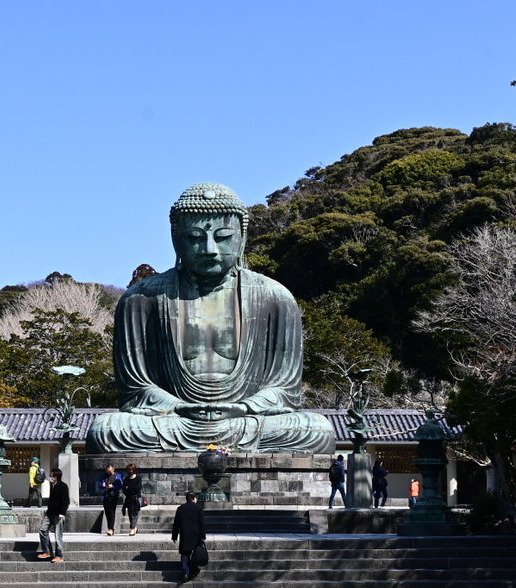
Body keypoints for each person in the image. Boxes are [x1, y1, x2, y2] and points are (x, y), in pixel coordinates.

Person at [86, 183, 336, 454]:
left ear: (242, 236)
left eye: (223, 237)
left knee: (314, 429)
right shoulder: (142, 299)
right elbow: (136, 389)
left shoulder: (274, 297)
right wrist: (177, 406)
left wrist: (244, 407)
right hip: (173, 420)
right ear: (176, 238)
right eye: (194, 237)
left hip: (247, 419)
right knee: (109, 429)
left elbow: (284, 390)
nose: (208, 249)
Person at [171, 491, 206, 583]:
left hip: (185, 535)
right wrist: (203, 536)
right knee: (196, 554)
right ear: (194, 498)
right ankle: (193, 570)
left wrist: (174, 536)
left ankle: (185, 573)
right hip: (196, 535)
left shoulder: (180, 509)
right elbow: (202, 524)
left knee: (185, 554)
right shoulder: (199, 508)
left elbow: (176, 524)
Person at [39, 469, 69, 562]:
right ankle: (47, 552)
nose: (50, 477)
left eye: (51, 475)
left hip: (58, 514)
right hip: (50, 513)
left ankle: (59, 556)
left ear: (56, 477)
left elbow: (66, 501)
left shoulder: (63, 486)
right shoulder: (52, 486)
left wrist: (62, 513)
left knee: (58, 536)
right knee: (43, 530)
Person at [97, 464, 122, 536]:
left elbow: (120, 485)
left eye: (110, 471)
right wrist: (103, 485)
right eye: (107, 471)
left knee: (111, 512)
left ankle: (111, 529)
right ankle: (110, 528)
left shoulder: (118, 476)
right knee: (107, 512)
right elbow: (99, 485)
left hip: (113, 496)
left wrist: (113, 486)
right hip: (106, 496)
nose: (108, 473)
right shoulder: (103, 476)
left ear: (113, 469)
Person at [122, 463, 143, 536]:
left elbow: (138, 488)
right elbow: (124, 490)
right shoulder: (126, 479)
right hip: (129, 499)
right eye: (129, 470)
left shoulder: (138, 478)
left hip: (136, 499)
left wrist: (129, 488)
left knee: (135, 513)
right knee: (130, 514)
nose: (130, 471)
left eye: (131, 470)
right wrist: (129, 489)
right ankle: (135, 528)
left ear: (134, 470)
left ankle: (132, 528)